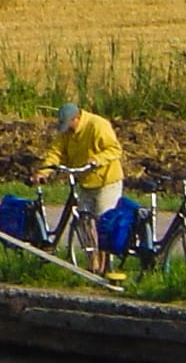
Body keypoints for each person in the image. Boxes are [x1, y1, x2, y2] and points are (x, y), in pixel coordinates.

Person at [32, 102, 124, 274]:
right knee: (85, 222)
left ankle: (105, 267)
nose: (67, 129)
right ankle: (93, 264)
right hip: (84, 181)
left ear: (77, 118)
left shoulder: (98, 125)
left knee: (104, 223)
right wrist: (44, 171)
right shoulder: (67, 132)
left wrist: (97, 159)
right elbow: (56, 153)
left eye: (69, 125)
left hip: (106, 181)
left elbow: (114, 149)